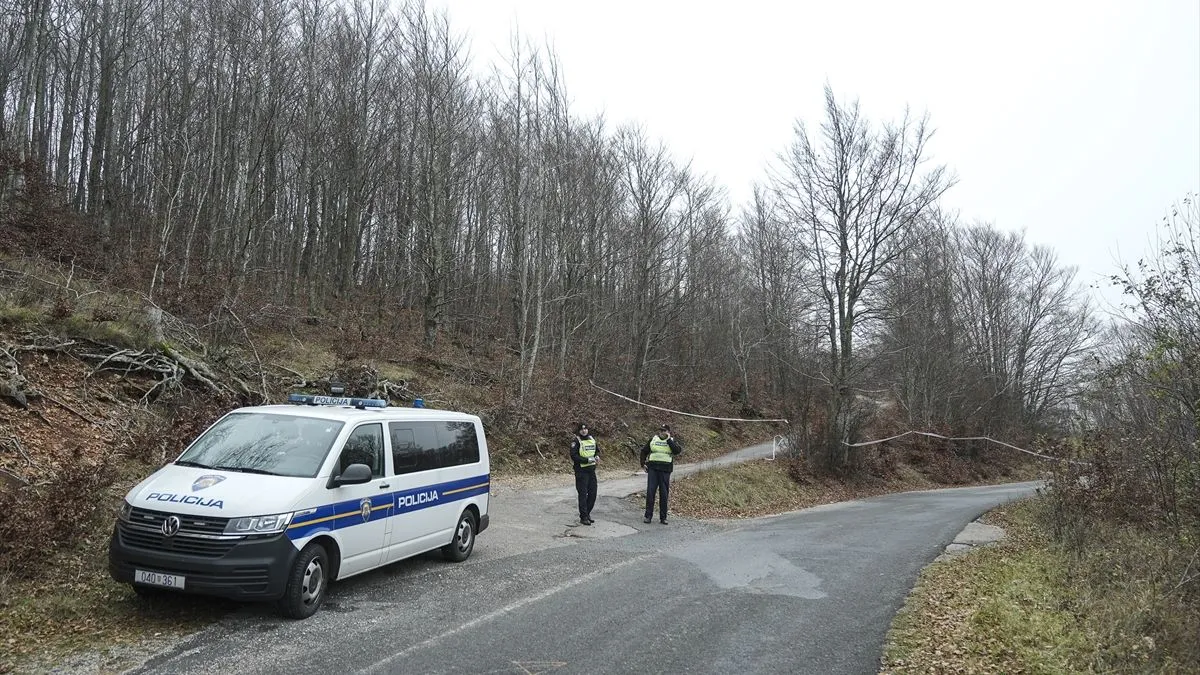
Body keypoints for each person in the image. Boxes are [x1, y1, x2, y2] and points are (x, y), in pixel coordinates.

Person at [639, 423, 682, 524]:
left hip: (665, 470)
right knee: (650, 493)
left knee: (664, 494)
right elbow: (644, 451)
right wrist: (643, 463)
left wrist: (668, 440)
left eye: (664, 431)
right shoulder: (653, 440)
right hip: (653, 469)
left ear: (668, 432)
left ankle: (663, 517)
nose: (662, 432)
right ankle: (648, 516)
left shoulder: (671, 441)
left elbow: (677, 451)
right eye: (661, 430)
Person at [569, 422, 599, 525]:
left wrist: (597, 456)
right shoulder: (576, 441)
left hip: (591, 471)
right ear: (579, 431)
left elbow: (597, 451)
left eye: (585, 429)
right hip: (581, 471)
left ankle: (587, 513)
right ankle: (584, 517)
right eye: (582, 429)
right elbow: (573, 456)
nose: (584, 431)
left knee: (593, 494)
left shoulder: (591, 439)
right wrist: (586, 460)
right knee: (583, 494)